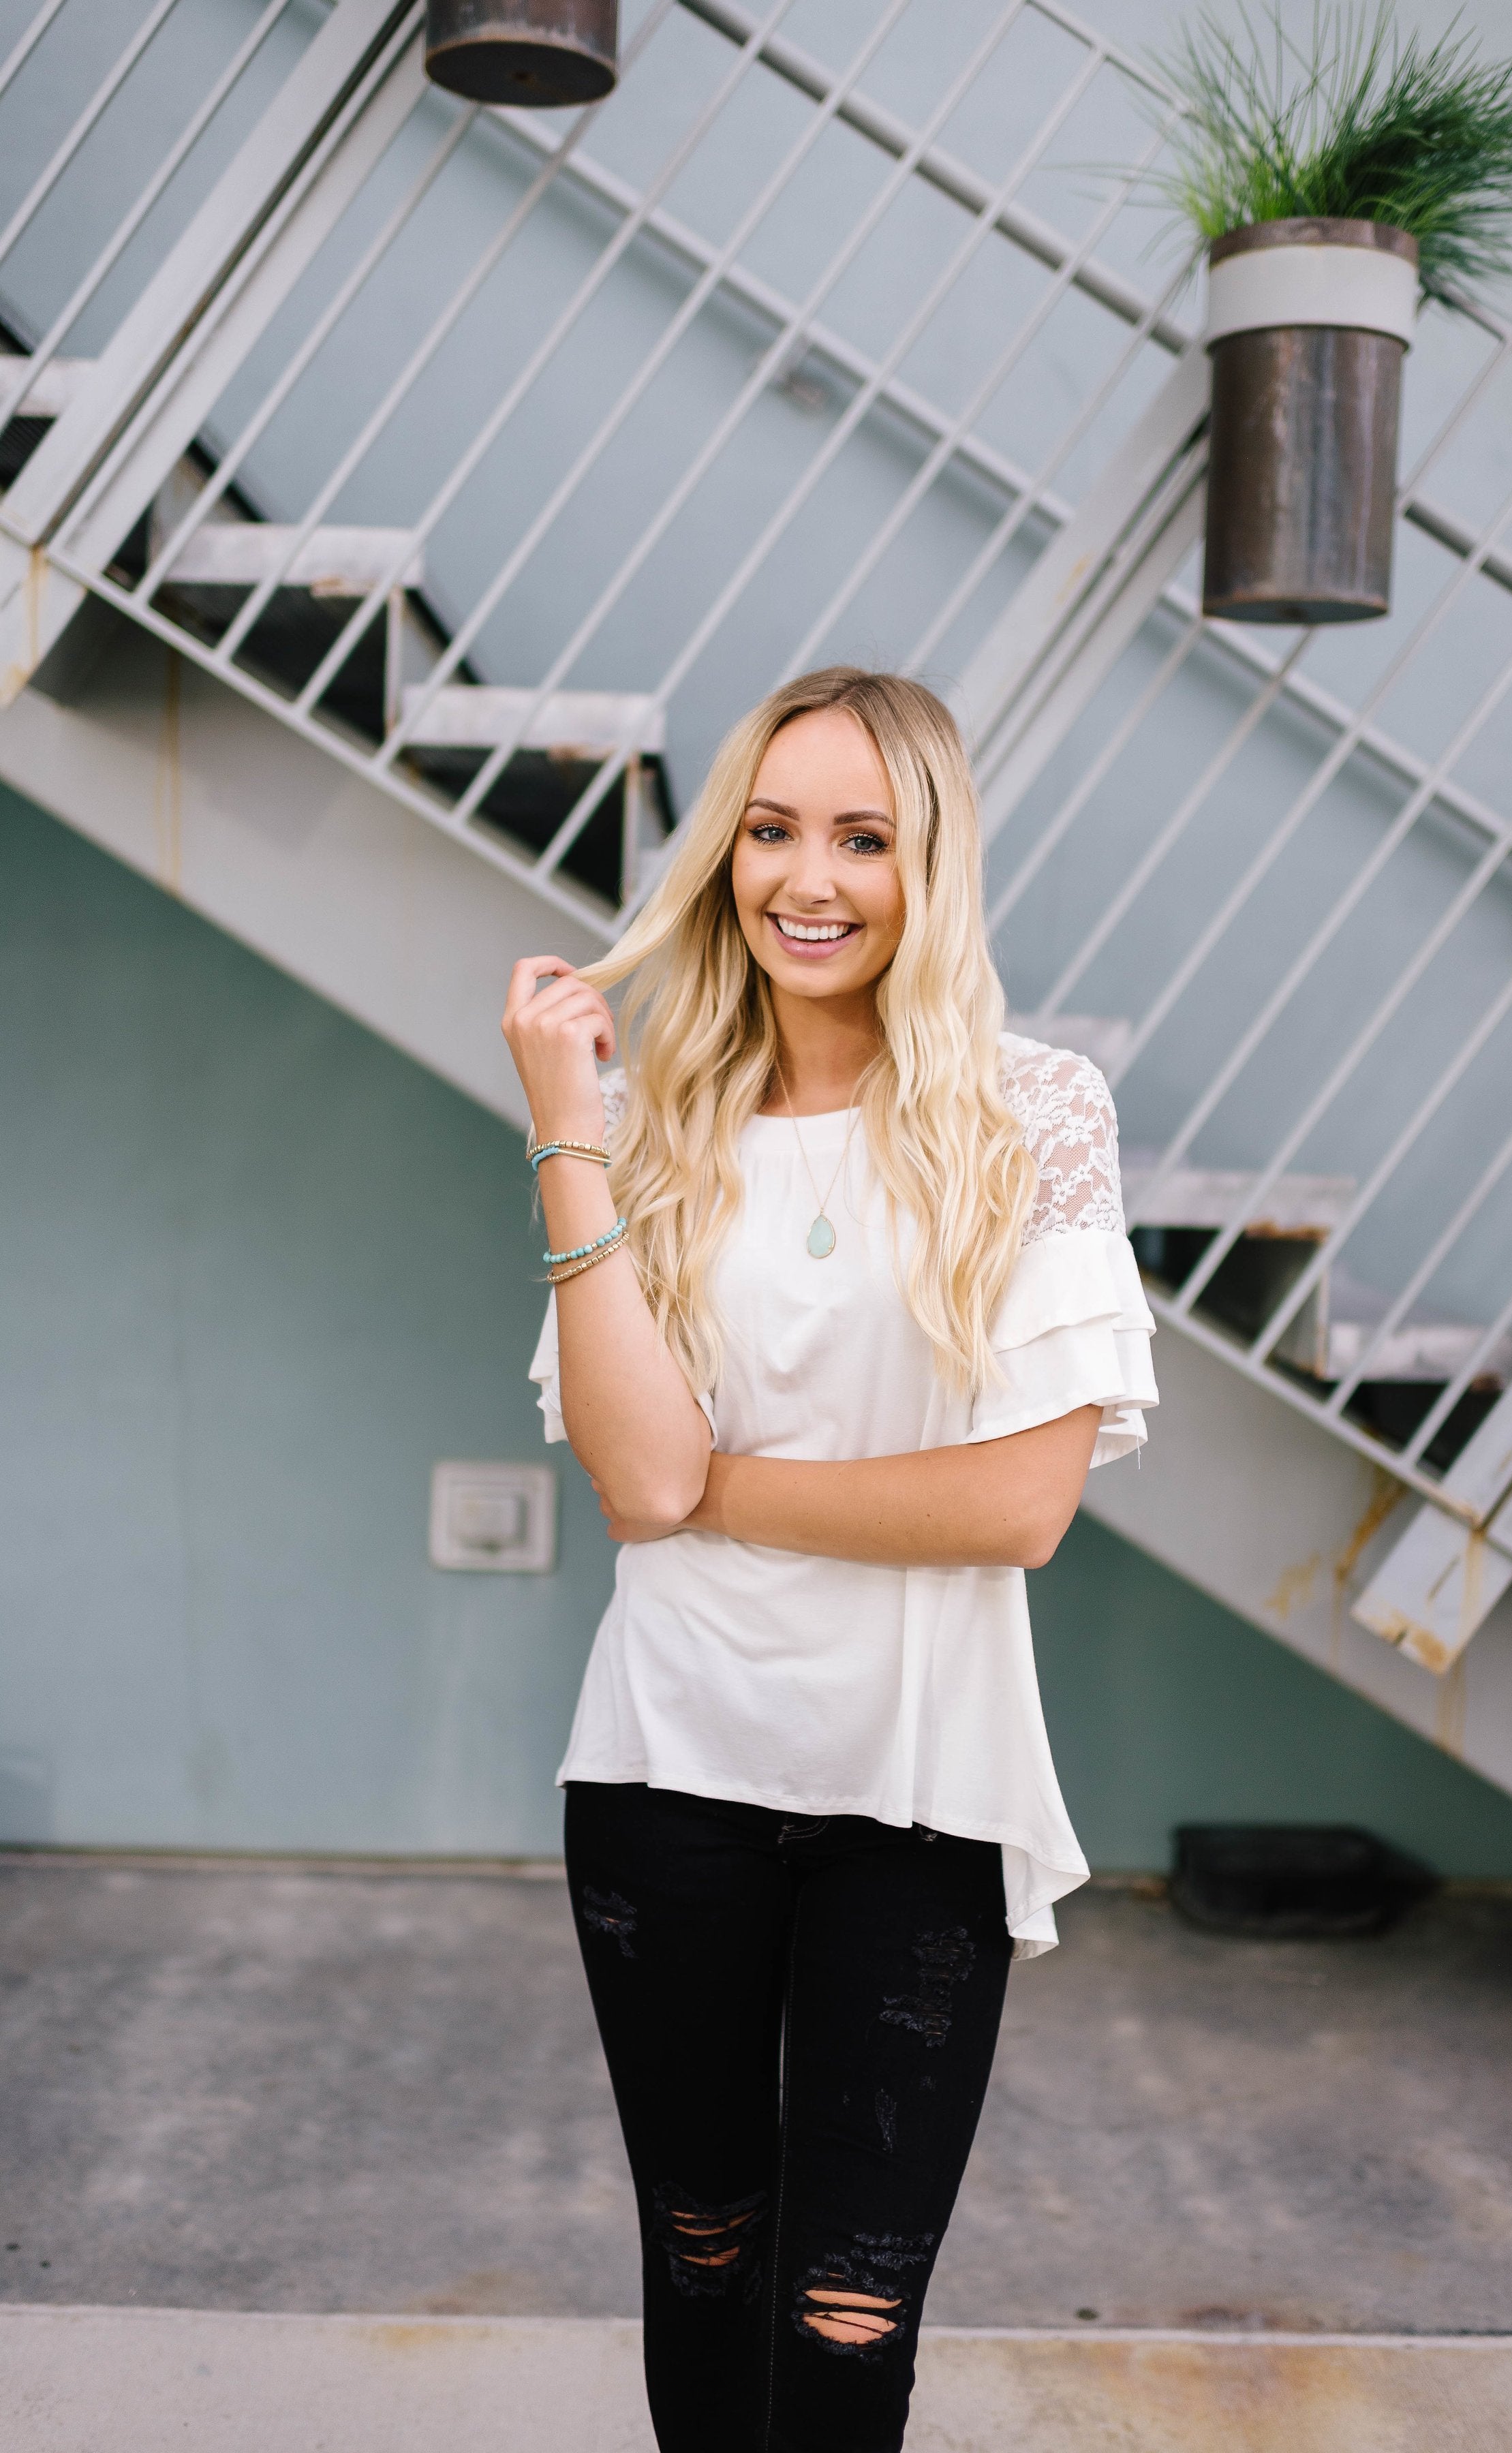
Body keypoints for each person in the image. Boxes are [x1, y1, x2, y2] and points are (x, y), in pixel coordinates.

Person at [501, 667, 1156, 2453]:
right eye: (772, 830)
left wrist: (723, 1483)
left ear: (924, 867)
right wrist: (567, 1120)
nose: (811, 877)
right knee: (705, 2253)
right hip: (668, 1772)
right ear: (723, 858)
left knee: (851, 2310)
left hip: (918, 1790)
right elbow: (634, 1480)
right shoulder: (648, 1127)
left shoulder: (1034, 1115)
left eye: (862, 837)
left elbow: (1014, 1508)